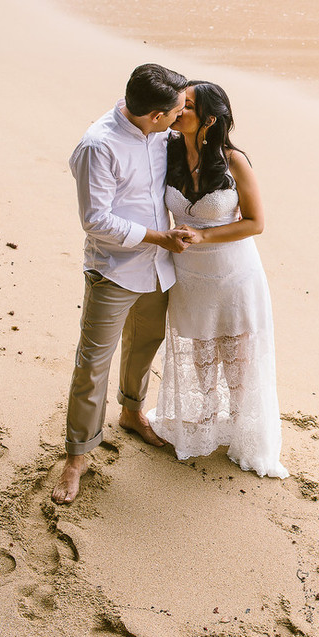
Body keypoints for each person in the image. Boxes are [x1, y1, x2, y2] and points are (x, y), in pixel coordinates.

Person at [52, 64, 192, 504]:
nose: (179, 117)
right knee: (92, 365)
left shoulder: (161, 135)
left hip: (158, 269)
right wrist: (159, 237)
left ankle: (132, 411)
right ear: (155, 115)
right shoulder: (99, 145)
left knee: (146, 342)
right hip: (113, 270)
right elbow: (95, 220)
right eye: (176, 112)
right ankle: (76, 456)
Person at [146, 81, 288, 478]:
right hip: (188, 274)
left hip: (232, 274)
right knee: (200, 348)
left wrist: (204, 235)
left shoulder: (233, 161)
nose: (178, 109)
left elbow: (256, 222)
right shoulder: (167, 150)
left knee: (235, 355)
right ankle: (207, 422)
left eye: (186, 105)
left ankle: (244, 431)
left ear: (208, 119)